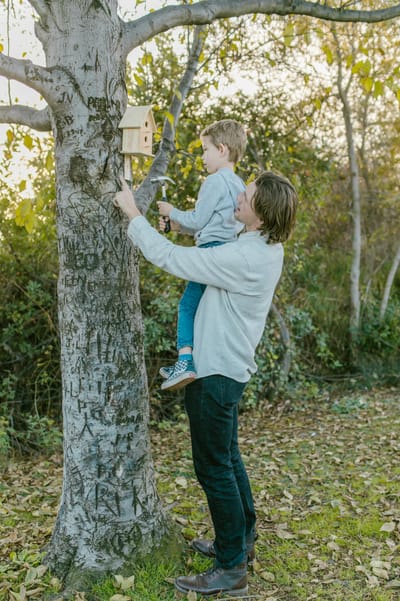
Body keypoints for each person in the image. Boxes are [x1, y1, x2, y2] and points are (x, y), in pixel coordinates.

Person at [113, 170, 298, 598]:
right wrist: (180, 220)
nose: (238, 196)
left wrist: (133, 215)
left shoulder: (245, 257)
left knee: (212, 467)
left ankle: (231, 568)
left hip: (215, 372)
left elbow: (176, 260)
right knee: (228, 459)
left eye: (246, 197)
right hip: (228, 370)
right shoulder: (261, 245)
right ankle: (241, 540)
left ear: (261, 214)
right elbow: (210, 236)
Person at [156, 119, 247, 392]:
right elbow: (212, 225)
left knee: (187, 306)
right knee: (207, 310)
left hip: (208, 253)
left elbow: (197, 221)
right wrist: (176, 226)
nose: (202, 156)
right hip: (226, 252)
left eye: (205, 150)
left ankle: (185, 360)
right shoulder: (239, 184)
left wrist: (171, 211)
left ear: (221, 149)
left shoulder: (214, 182)